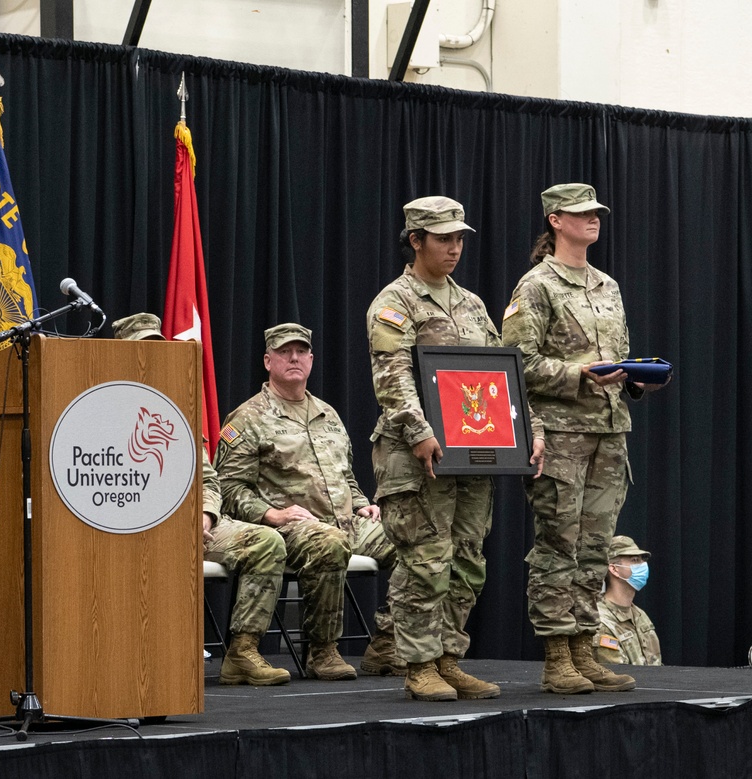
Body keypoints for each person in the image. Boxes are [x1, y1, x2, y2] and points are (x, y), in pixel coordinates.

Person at [366, 196, 545, 702]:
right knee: (426, 559)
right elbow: (393, 377)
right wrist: (421, 430)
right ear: (415, 240)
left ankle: (448, 659)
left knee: (467, 560)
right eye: (443, 238)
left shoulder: (470, 303)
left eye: (460, 238)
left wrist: (528, 431)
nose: (455, 247)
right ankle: (418, 664)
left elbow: (500, 379)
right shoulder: (394, 302)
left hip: (473, 453)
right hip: (415, 453)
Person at [501, 183, 663, 694]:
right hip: (562, 434)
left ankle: (583, 650)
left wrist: (635, 377)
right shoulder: (536, 286)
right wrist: (580, 374)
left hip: (609, 433)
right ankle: (556, 657)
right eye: (582, 213)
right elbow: (518, 364)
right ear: (555, 220)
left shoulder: (607, 285)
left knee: (595, 549)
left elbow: (620, 350)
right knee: (558, 546)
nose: (593, 219)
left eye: (596, 213)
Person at [214, 323, 404, 681]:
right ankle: (323, 651)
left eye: (301, 351)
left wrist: (363, 503)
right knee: (328, 544)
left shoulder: (327, 414)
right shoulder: (248, 417)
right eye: (285, 352)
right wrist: (271, 513)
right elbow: (228, 488)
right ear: (268, 361)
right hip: (289, 527)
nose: (294, 358)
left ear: (312, 360)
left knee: (410, 537)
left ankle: (387, 644)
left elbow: (344, 475)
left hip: (346, 521)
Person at [112, 313, 290, 686]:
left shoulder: (173, 406)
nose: (151, 357)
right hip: (136, 526)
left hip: (194, 521)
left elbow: (207, 478)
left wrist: (206, 515)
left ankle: (241, 652)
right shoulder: (99, 407)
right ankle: (147, 652)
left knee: (266, 541)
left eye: (157, 349)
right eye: (142, 349)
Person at [595, 535, 662, 666]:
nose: (643, 565)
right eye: (635, 560)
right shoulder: (600, 621)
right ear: (614, 569)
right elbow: (617, 674)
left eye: (642, 560)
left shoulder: (640, 615)